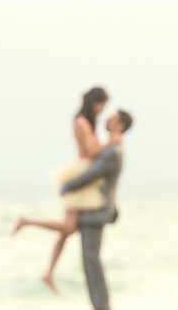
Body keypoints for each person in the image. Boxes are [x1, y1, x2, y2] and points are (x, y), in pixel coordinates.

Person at [12, 87, 109, 293]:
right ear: (95, 103)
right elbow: (90, 152)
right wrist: (111, 142)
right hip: (80, 173)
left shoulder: (87, 122)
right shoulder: (82, 122)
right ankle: (27, 221)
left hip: (84, 172)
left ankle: (49, 272)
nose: (103, 110)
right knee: (68, 227)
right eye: (102, 105)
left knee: (67, 230)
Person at [61, 109, 132, 310]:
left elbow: (94, 173)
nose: (107, 118)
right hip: (95, 210)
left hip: (97, 211)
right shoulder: (111, 147)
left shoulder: (113, 151)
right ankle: (99, 309)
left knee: (91, 259)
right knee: (90, 259)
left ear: (119, 125)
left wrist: (68, 185)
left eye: (113, 117)